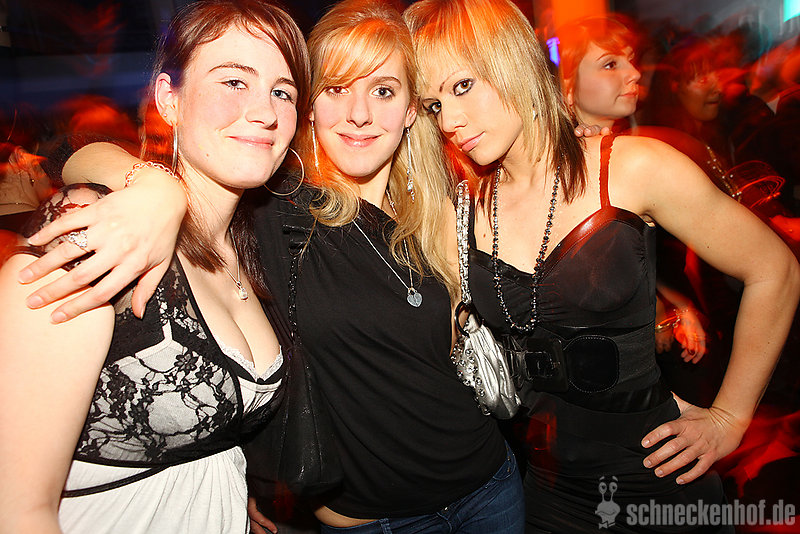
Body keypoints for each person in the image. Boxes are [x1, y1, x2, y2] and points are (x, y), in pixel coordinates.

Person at [16, 1, 524, 533]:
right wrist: (152, 188)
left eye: (383, 91)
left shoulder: (436, 207)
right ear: (311, 107)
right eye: (336, 88)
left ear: (412, 110)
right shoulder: (277, 205)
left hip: (489, 484)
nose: (360, 114)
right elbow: (84, 157)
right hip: (376, 520)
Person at [405, 0, 800, 532]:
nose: (450, 121)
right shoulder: (464, 208)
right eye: (434, 105)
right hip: (545, 490)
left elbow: (775, 270)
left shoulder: (632, 167)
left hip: (660, 482)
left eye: (462, 86)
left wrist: (729, 417)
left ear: (513, 60)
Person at [0, 1, 310, 532]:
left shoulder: (258, 241)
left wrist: (227, 489)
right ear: (170, 99)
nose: (265, 112)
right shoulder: (94, 233)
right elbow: (16, 509)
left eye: (283, 92)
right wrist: (155, 185)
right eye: (234, 81)